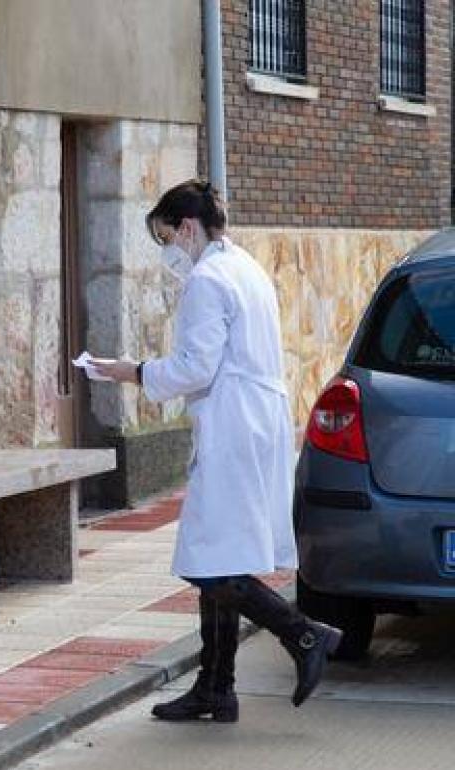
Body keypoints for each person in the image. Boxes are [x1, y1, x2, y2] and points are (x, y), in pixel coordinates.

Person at [91, 180, 343, 723]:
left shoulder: (206, 279)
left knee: (208, 559)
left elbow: (195, 368)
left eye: (166, 237)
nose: (168, 252)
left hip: (234, 425)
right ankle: (216, 687)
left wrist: (130, 372)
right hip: (255, 422)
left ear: (186, 226)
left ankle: (302, 635)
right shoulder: (245, 267)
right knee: (221, 553)